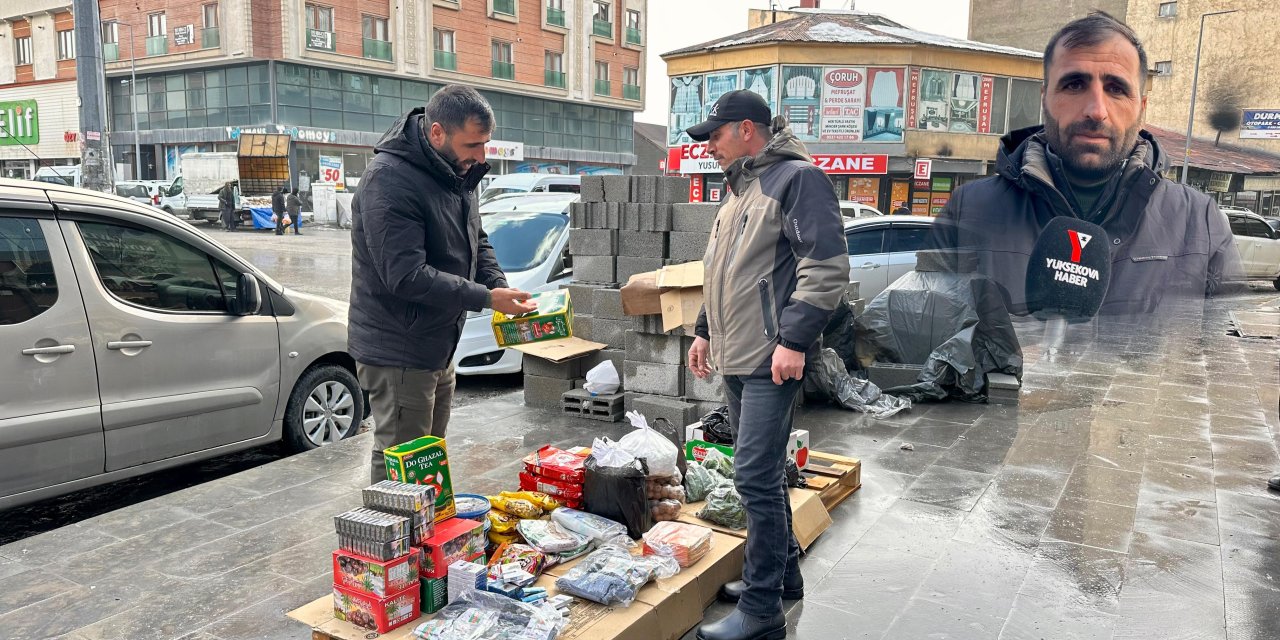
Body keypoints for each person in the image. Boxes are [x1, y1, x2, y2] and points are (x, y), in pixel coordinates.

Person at [926, 11, 1243, 317]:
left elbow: (1229, 357)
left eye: (1116, 88)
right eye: (1074, 84)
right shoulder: (968, 211)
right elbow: (929, 336)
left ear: (1141, 107)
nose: (1096, 110)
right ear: (1045, 98)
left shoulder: (1201, 224)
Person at [684, 90, 850, 640]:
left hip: (769, 357)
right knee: (767, 472)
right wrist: (704, 330)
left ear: (748, 130)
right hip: (737, 354)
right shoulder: (740, 190)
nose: (708, 145)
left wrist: (794, 340)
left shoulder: (797, 180)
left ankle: (760, 613)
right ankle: (783, 578)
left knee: (753, 477)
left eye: (715, 134)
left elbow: (824, 267)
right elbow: (722, 272)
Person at [350, 84, 537, 485]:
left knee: (427, 455)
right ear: (437, 133)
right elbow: (405, 276)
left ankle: (428, 538)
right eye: (473, 145)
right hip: (399, 347)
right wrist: (487, 298)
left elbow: (477, 240)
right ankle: (394, 541)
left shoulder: (455, 172)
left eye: (485, 144)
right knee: (403, 458)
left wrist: (500, 285)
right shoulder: (390, 180)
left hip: (437, 341)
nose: (480, 157)